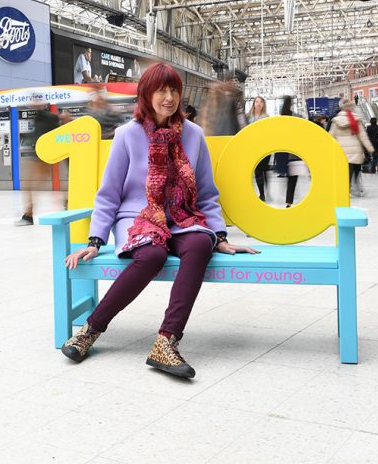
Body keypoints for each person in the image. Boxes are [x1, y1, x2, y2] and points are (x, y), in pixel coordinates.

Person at [59, 62, 258, 378]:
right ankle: (91, 330)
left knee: (199, 243)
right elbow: (109, 193)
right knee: (151, 254)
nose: (169, 97)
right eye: (161, 90)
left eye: (174, 90)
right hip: (139, 217)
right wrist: (95, 241)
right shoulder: (127, 135)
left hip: (181, 217)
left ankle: (166, 341)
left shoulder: (193, 135)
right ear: (146, 95)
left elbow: (206, 193)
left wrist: (219, 236)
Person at [16, 100, 62, 226]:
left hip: (42, 158)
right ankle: (28, 214)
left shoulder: (49, 117)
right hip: (36, 155)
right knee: (29, 186)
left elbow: (57, 132)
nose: (33, 103)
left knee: (31, 185)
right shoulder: (37, 117)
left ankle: (28, 215)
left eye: (37, 101)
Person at [329, 100, 373, 197]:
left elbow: (331, 136)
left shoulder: (336, 120)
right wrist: (370, 148)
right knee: (353, 171)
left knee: (343, 172)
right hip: (355, 149)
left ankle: (344, 190)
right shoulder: (356, 119)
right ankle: (352, 189)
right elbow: (363, 136)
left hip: (341, 149)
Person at [273, 96, 303, 207]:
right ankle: (289, 201)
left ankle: (288, 199)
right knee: (292, 178)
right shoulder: (296, 117)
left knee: (289, 177)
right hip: (293, 152)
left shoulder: (279, 119)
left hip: (282, 152)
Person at [246, 96, 270, 200]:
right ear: (253, 104)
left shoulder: (266, 117)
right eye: (257, 101)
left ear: (263, 104)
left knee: (263, 170)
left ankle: (264, 191)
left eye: (261, 102)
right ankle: (262, 193)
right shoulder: (248, 117)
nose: (259, 103)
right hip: (252, 147)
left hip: (264, 147)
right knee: (257, 170)